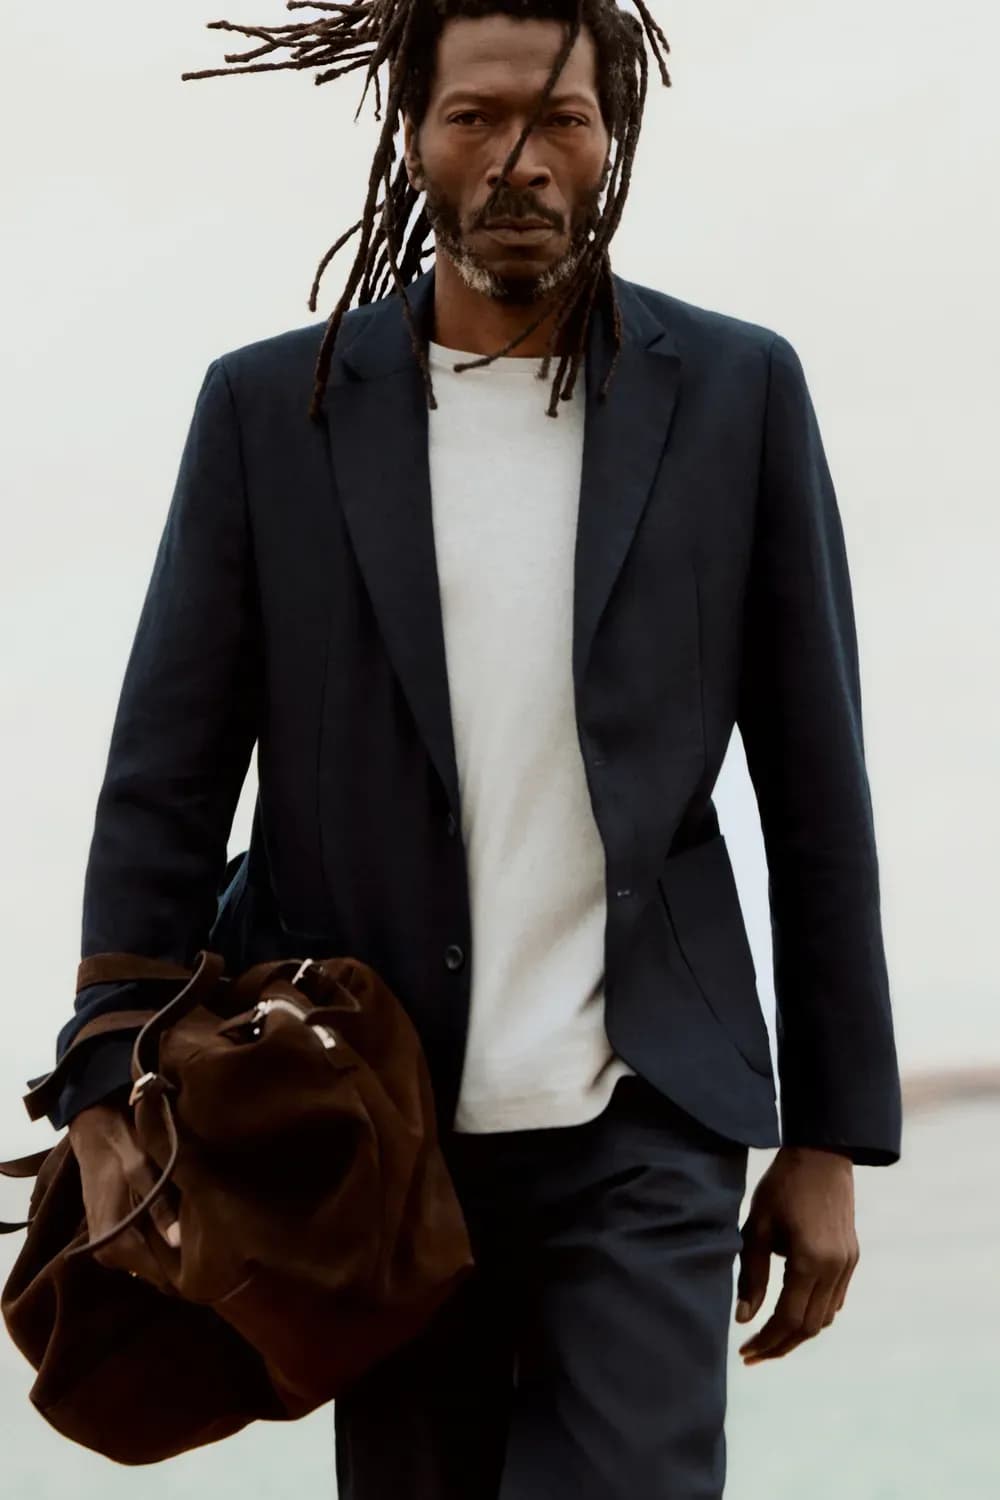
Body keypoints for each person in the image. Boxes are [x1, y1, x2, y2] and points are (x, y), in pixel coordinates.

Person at [55, 1, 903, 1495]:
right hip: (374, 1134)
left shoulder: (737, 393)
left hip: (646, 1112)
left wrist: (832, 1137)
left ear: (612, 138)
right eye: (477, 118)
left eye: (561, 121)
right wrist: (107, 1076)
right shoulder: (274, 411)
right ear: (414, 133)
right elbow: (166, 775)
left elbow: (817, 783)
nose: (520, 158)